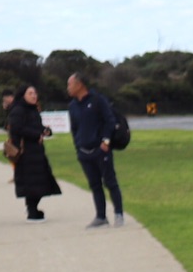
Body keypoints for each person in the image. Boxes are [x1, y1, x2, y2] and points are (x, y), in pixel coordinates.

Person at [66, 73, 125, 228]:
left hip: (101, 150)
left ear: (79, 85)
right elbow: (74, 129)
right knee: (94, 185)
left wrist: (106, 141)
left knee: (110, 182)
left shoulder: (98, 100)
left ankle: (119, 214)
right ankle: (101, 216)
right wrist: (77, 147)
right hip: (84, 152)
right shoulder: (72, 106)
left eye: (70, 84)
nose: (68, 88)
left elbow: (110, 121)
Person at [7, 85, 61, 222]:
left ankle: (33, 209)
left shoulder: (33, 110)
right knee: (31, 183)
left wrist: (46, 131)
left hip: (37, 152)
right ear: (23, 95)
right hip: (26, 153)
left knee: (40, 182)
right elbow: (17, 129)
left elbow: (36, 126)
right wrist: (36, 134)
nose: (34, 95)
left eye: (35, 93)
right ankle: (32, 211)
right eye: (30, 93)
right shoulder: (18, 110)